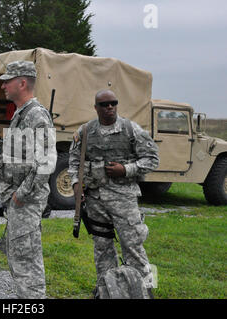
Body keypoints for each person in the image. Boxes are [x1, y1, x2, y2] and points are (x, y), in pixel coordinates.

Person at [68, 89, 159, 297]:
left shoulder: (130, 129)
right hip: (96, 201)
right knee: (102, 248)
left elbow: (152, 159)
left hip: (124, 199)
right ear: (96, 107)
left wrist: (126, 170)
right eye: (104, 104)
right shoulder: (85, 131)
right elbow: (74, 161)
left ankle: (146, 292)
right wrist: (76, 184)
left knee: (134, 248)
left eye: (113, 103)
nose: (110, 107)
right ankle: (106, 290)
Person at [0, 61, 57, 298]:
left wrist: (20, 195)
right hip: (17, 202)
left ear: (22, 83)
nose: (3, 86)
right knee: (19, 259)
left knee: (27, 264)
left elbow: (45, 163)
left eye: (7, 81)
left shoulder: (36, 115)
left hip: (26, 202)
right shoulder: (22, 114)